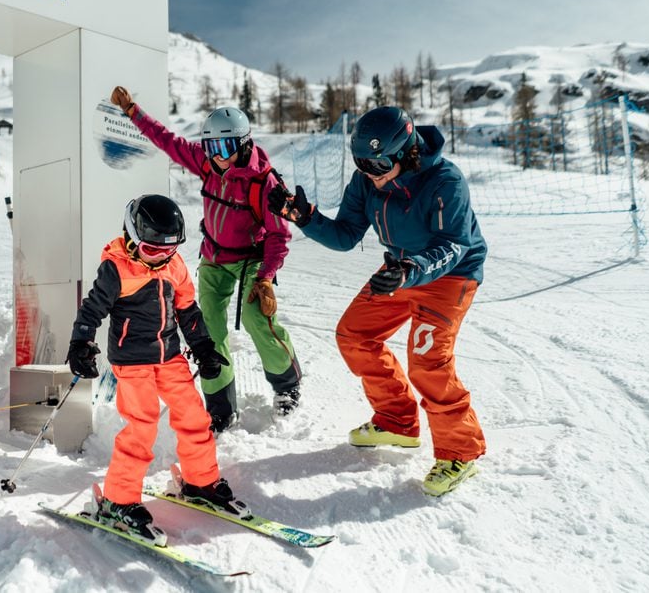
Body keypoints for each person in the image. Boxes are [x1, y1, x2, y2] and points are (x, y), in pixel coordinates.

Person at [268, 106, 487, 497]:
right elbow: (346, 235)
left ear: (409, 152)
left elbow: (454, 245)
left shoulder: (445, 181)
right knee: (354, 334)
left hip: (448, 275)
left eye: (378, 163)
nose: (369, 172)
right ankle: (397, 420)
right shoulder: (368, 181)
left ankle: (460, 451)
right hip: (400, 269)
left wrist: (410, 270)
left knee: (427, 362)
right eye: (361, 163)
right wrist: (304, 216)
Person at [110, 86, 301, 433]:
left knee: (259, 318)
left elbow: (280, 235)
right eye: (211, 147)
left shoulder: (265, 183)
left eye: (225, 147)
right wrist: (133, 111)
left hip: (251, 263)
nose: (216, 155)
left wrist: (266, 278)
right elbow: (167, 140)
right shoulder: (207, 164)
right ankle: (221, 407)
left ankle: (287, 384)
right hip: (214, 258)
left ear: (243, 144)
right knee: (208, 330)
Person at [67, 194, 246, 544]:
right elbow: (92, 310)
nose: (162, 258)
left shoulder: (173, 266)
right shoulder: (116, 268)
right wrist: (81, 342)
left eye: (170, 250)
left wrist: (205, 348)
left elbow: (188, 311)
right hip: (132, 361)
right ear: (132, 238)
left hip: (170, 357)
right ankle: (119, 499)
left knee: (195, 416)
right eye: (153, 251)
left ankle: (200, 480)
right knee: (143, 424)